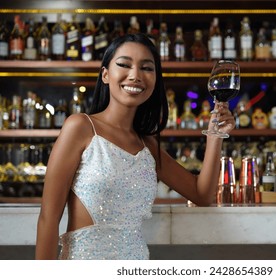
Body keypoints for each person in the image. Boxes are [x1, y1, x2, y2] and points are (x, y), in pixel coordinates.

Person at [35, 33, 235, 260]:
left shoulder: (147, 145)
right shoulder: (80, 127)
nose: (135, 75)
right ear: (105, 74)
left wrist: (215, 135)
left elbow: (201, 195)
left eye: (147, 68)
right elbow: (48, 219)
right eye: (124, 64)